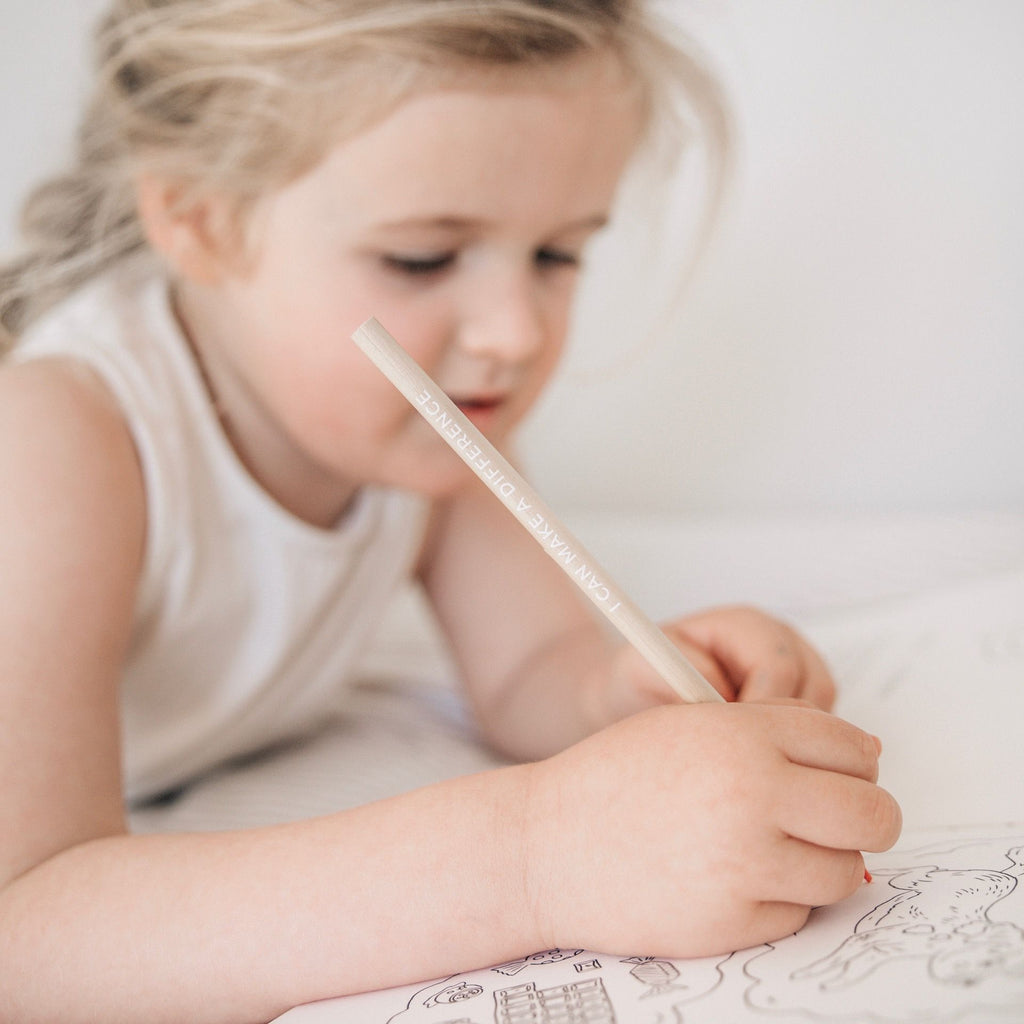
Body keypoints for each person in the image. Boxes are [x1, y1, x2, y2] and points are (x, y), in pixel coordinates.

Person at [0, 1, 901, 1021]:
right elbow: (25, 929)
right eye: (424, 258)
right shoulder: (57, 437)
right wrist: (538, 853)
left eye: (557, 255)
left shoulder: (420, 428)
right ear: (200, 220)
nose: (514, 332)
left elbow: (527, 672)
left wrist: (631, 686)